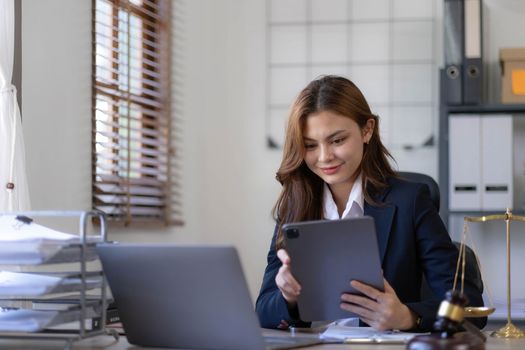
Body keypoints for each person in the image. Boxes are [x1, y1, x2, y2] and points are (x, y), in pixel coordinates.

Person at [255, 75, 486, 332]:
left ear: (367, 130)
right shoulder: (295, 204)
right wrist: (289, 298)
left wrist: (409, 317)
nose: (324, 157)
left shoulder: (410, 201)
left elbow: (471, 308)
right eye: (310, 145)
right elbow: (263, 311)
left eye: (337, 140)